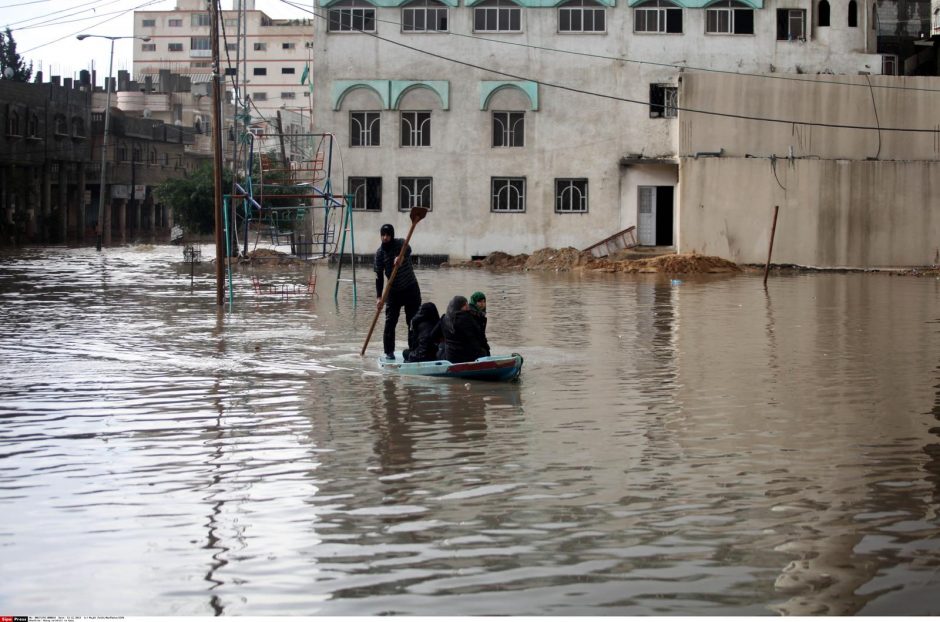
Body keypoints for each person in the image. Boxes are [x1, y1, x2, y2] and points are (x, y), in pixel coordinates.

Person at [375, 223, 422, 360]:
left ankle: (414, 350)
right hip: (393, 292)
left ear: (392, 236)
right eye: (383, 235)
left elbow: (408, 249)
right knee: (390, 322)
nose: (385, 238)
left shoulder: (400, 243)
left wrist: (401, 257)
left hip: (411, 288)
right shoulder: (379, 253)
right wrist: (379, 298)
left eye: (388, 235)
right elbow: (379, 276)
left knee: (413, 321)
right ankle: (389, 352)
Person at [439, 295, 488, 363]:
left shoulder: (445, 318)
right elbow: (475, 338)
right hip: (466, 357)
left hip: (450, 357)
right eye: (465, 305)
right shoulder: (465, 318)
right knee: (483, 352)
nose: (468, 307)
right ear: (460, 306)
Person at [468, 291, 490, 357]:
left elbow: (482, 335)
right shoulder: (470, 315)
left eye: (484, 301)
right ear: (474, 302)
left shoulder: (481, 315)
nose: (482, 304)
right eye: (480, 302)